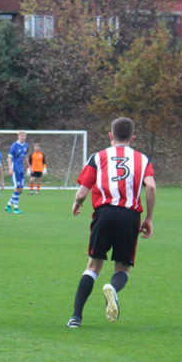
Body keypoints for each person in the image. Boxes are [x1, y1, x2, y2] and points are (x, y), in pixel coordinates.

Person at [67, 117, 156, 328]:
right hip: (129, 216)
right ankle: (113, 289)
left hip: (104, 213)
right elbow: (151, 187)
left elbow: (83, 191)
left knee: (93, 266)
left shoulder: (98, 157)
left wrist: (77, 203)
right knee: (122, 269)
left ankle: (76, 317)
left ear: (110, 136)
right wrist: (149, 218)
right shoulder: (142, 159)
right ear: (132, 138)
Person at [5, 130, 29, 214]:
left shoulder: (26, 145)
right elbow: (9, 157)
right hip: (15, 169)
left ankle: (8, 205)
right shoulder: (14, 146)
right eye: (22, 136)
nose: (23, 138)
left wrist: (29, 167)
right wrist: (10, 169)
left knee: (20, 189)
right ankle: (15, 208)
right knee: (17, 188)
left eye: (24, 136)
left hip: (21, 169)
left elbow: (25, 157)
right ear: (18, 137)